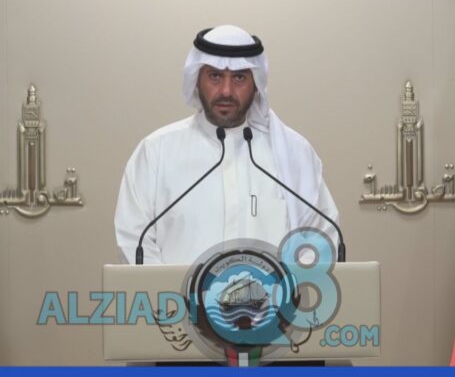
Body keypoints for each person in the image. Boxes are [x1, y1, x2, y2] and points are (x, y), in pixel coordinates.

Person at [114, 24, 339, 265]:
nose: (226, 91)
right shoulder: (156, 152)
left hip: (277, 291)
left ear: (256, 84)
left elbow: (320, 241)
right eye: (215, 76)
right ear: (196, 80)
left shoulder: (294, 154)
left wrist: (286, 289)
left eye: (239, 78)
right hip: (177, 292)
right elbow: (134, 240)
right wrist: (173, 289)